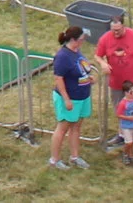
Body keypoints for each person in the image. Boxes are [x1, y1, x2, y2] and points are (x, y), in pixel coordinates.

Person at [47, 25, 93, 170]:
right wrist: (66, 99)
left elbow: (79, 70)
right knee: (62, 128)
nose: (83, 41)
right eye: (81, 39)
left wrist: (88, 79)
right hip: (70, 98)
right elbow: (58, 78)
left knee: (76, 127)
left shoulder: (76, 51)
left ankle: (75, 156)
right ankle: (54, 159)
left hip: (82, 96)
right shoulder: (62, 56)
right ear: (73, 40)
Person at [95, 15, 133, 113]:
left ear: (123, 26)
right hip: (116, 83)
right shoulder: (105, 38)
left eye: (118, 30)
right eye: (113, 30)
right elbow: (97, 56)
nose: (115, 32)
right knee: (120, 111)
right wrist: (102, 63)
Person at [114, 83, 133, 166]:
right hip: (125, 126)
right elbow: (118, 114)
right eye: (132, 91)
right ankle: (125, 154)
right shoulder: (123, 103)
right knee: (129, 142)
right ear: (126, 93)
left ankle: (131, 155)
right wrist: (128, 118)